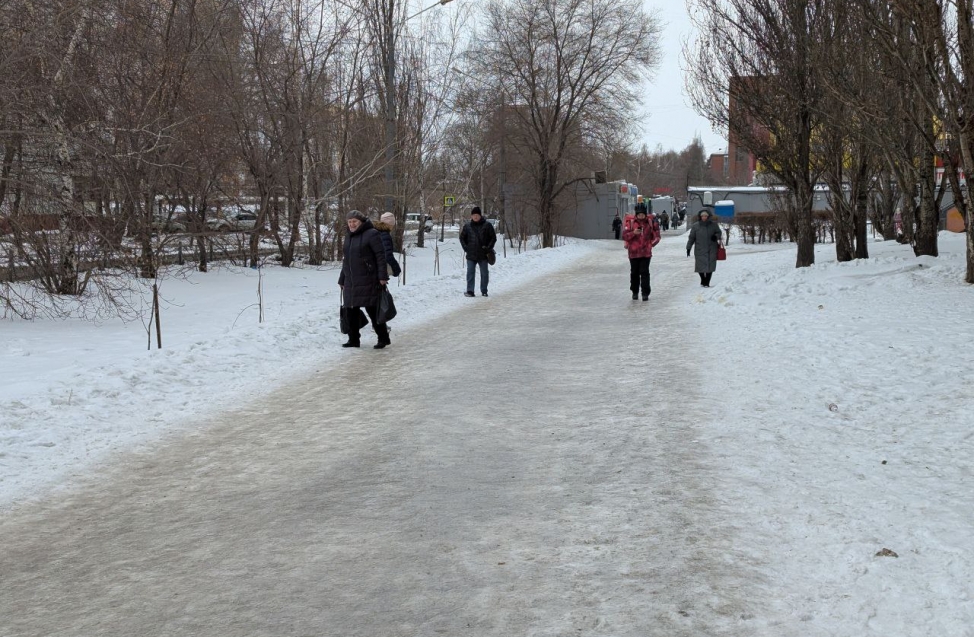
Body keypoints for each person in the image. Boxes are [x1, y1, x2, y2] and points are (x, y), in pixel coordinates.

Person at [338, 210, 390, 349]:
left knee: (373, 311)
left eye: (354, 221)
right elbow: (346, 260)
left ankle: (383, 338)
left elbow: (380, 256)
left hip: (368, 279)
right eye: (349, 222)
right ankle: (353, 339)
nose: (351, 224)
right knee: (350, 311)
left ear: (361, 222)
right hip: (351, 280)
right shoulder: (348, 236)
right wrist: (342, 278)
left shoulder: (372, 234)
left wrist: (382, 276)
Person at [621, 203, 660, 301]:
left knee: (644, 272)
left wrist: (651, 244)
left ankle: (645, 293)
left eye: (642, 214)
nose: (641, 216)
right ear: (636, 214)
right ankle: (635, 291)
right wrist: (633, 233)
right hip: (633, 253)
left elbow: (657, 236)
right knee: (634, 273)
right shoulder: (630, 223)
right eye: (639, 214)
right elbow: (624, 236)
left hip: (646, 253)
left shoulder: (650, 222)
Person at [459, 206, 497, 297]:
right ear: (471, 216)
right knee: (470, 273)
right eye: (473, 215)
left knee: (484, 273)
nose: (475, 217)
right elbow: (462, 238)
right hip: (471, 254)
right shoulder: (467, 226)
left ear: (480, 216)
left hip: (483, 254)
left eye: (477, 215)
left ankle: (484, 290)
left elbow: (493, 238)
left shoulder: (487, 225)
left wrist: (488, 248)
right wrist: (466, 248)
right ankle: (470, 291)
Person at [686, 209, 722, 288]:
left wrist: (716, 236)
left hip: (711, 248)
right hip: (700, 249)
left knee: (711, 265)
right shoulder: (696, 226)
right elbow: (691, 238)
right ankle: (703, 279)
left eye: (705, 216)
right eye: (702, 216)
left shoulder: (714, 225)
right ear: (700, 217)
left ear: (708, 216)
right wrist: (688, 248)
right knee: (700, 266)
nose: (704, 217)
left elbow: (719, 232)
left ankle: (707, 282)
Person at [376, 212, 402, 279]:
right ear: (389, 224)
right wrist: (396, 268)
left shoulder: (375, 231)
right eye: (392, 225)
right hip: (379, 268)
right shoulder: (385, 235)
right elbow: (387, 255)